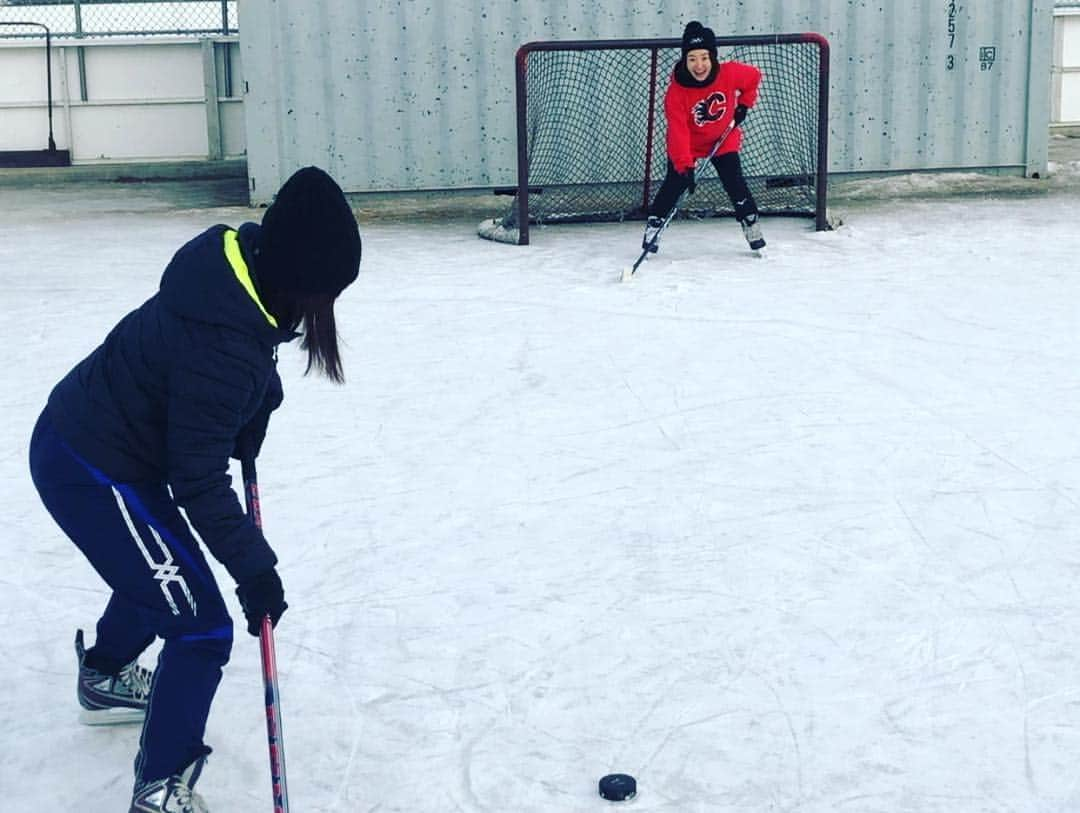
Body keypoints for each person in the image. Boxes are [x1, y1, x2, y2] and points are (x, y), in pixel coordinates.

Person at [28, 165, 362, 812]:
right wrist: (254, 569)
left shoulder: (232, 273)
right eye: (326, 292)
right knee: (202, 626)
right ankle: (160, 785)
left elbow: (227, 360)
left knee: (167, 573)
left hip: (97, 442)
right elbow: (200, 480)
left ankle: (102, 677)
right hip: (92, 469)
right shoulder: (224, 345)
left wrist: (254, 401)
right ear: (296, 277)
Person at [645, 20, 766, 253]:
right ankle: (655, 225)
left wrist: (743, 105)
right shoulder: (676, 92)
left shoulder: (729, 73)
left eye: (704, 57)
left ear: (712, 57)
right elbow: (678, 131)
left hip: (723, 138)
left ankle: (750, 221)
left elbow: (754, 78)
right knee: (674, 183)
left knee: (734, 180)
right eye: (692, 59)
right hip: (689, 144)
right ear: (684, 60)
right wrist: (684, 164)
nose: (699, 65)